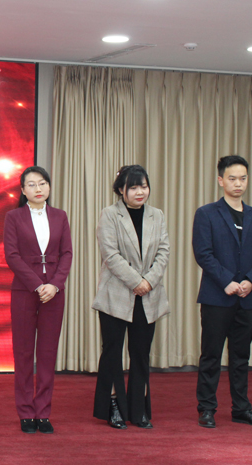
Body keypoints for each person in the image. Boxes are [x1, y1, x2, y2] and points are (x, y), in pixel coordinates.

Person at [194, 155, 252, 428]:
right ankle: (206, 408)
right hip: (217, 297)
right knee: (211, 355)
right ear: (220, 180)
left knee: (241, 358)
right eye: (232, 178)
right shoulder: (206, 214)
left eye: (243, 178)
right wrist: (226, 281)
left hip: (247, 298)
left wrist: (251, 280)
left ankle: (241, 408)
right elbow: (203, 253)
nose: (238, 184)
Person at [92, 165, 170, 430]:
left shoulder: (157, 215)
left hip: (148, 295)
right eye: (133, 187)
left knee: (140, 354)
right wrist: (137, 281)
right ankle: (114, 405)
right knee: (112, 352)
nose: (140, 192)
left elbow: (164, 251)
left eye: (143, 186)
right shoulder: (109, 214)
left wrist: (148, 281)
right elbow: (110, 255)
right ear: (120, 190)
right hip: (116, 294)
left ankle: (139, 410)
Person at [3, 166, 72, 434]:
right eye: (31, 184)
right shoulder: (13, 217)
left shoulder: (60, 216)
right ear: (23, 190)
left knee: (47, 353)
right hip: (24, 291)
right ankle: (25, 412)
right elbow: (12, 255)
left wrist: (55, 285)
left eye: (42, 183)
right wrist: (37, 284)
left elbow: (66, 253)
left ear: (49, 187)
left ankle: (43, 412)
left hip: (54, 293)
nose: (38, 189)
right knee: (22, 353)